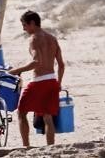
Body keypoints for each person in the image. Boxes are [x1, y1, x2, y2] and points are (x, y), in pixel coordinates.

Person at [9, 10, 66, 147]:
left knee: (21, 112)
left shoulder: (34, 38)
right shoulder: (52, 38)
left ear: (32, 23)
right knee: (48, 117)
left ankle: (26, 147)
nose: (24, 29)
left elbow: (36, 62)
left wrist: (16, 71)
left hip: (39, 82)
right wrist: (58, 82)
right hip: (52, 81)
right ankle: (51, 148)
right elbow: (61, 65)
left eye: (24, 25)